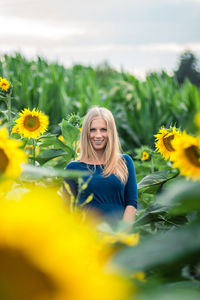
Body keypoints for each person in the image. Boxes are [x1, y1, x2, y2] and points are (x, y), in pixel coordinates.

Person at [63, 106, 137, 223]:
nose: (98, 135)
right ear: (86, 132)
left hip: (118, 234)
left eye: (103, 129)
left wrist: (122, 235)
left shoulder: (124, 162)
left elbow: (131, 206)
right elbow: (67, 212)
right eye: (93, 130)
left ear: (111, 132)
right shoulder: (73, 168)